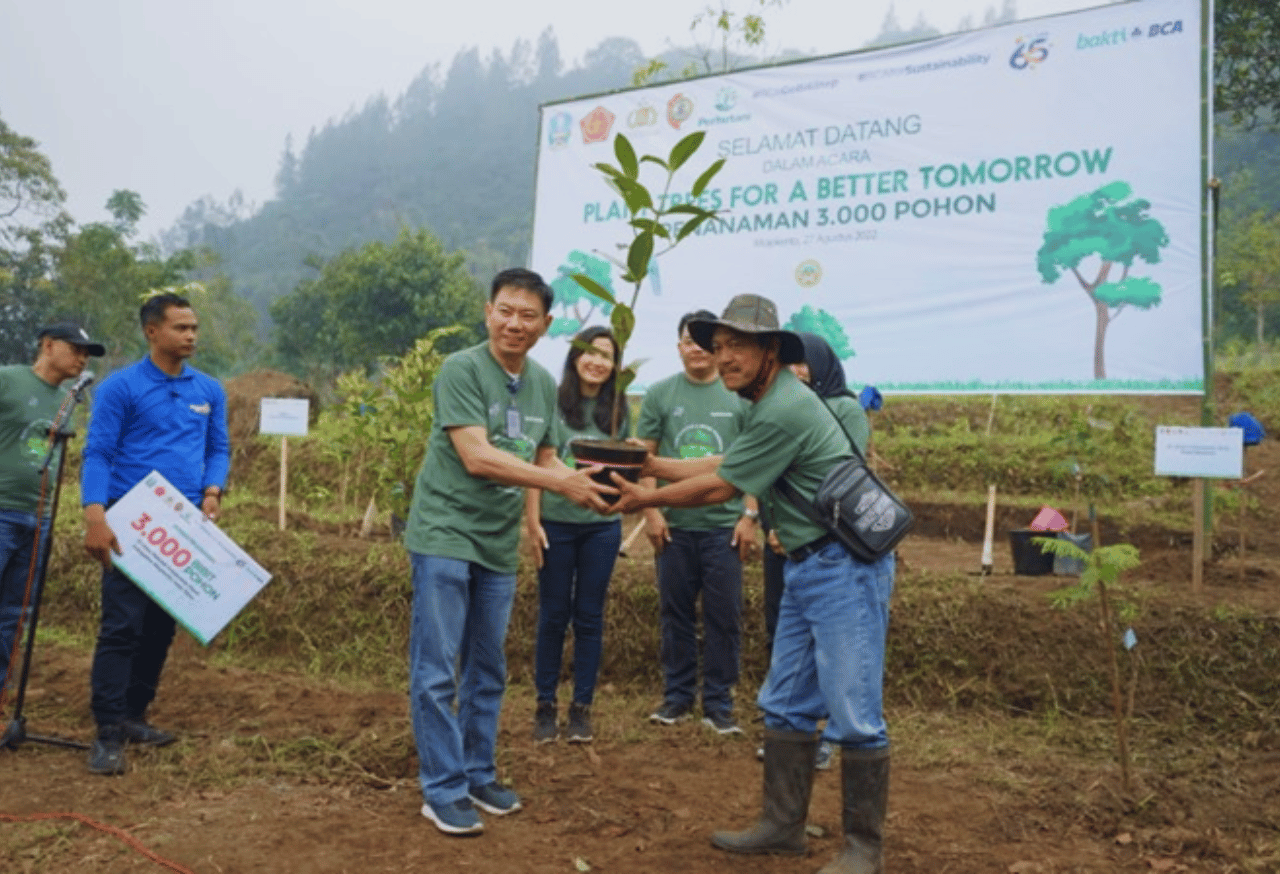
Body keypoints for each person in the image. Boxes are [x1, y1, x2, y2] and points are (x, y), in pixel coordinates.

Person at [611, 294, 896, 874]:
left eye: (739, 345)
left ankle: (864, 849)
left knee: (854, 708)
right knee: (786, 699)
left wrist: (643, 498)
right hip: (808, 566)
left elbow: (722, 486)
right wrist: (651, 466)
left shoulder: (784, 406)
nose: (725, 357)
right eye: (719, 346)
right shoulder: (768, 401)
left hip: (843, 567)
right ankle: (783, 826)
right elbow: (725, 464)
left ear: (771, 351)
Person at [403, 268, 613, 837]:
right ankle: (442, 789)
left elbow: (545, 458)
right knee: (437, 669)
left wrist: (594, 482)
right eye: (505, 311)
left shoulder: (542, 383)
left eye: (527, 316)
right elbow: (477, 456)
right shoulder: (462, 369)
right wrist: (562, 483)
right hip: (445, 532)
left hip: (496, 542)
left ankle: (477, 774)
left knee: (488, 666)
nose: (514, 324)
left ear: (546, 325)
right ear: (488, 312)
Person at [82, 293, 229, 776]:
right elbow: (99, 453)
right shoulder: (120, 388)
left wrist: (212, 490)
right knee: (122, 625)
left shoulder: (209, 389)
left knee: (160, 628)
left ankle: (134, 714)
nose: (191, 335)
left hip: (182, 525)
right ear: (152, 331)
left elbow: (218, 448)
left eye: (194, 328)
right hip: (130, 522)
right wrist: (95, 516)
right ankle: (107, 731)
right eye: (180, 327)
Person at [636, 310, 758, 736]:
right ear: (679, 347)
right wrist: (651, 512)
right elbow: (644, 457)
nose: (698, 350)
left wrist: (749, 515)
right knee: (675, 614)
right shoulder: (660, 394)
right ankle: (677, 697)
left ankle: (719, 703)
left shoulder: (739, 396)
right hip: (675, 527)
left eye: (706, 344)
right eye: (689, 341)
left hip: (724, 527)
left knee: (724, 616)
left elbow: (757, 463)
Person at [759, 331, 871, 770]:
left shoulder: (844, 409)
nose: (796, 371)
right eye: (789, 363)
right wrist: (774, 527)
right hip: (790, 541)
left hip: (830, 543)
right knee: (790, 643)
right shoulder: (780, 410)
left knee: (837, 655)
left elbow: (842, 479)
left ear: (823, 366)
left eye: (804, 363)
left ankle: (830, 735)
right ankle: (797, 737)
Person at [524, 326, 627, 745]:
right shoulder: (552, 402)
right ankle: (545, 705)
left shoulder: (618, 409)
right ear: (574, 357)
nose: (597, 362)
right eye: (590, 353)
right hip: (556, 523)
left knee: (589, 615)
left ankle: (582, 708)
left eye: (606, 356)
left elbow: (625, 466)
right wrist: (533, 523)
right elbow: (538, 463)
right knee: (553, 615)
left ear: (615, 366)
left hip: (601, 527)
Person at [0, 324, 104, 696]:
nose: (82, 359)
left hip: (39, 517)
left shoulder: (68, 400)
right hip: (2, 511)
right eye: (75, 349)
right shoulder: (8, 380)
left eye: (87, 353)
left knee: (15, 612)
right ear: (47, 345)